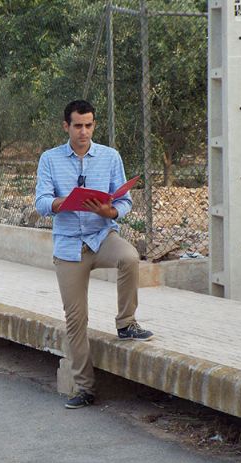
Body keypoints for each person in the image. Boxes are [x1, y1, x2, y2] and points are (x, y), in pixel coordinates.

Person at [35, 99, 153, 409]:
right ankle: (84, 388)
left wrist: (110, 210)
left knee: (129, 257)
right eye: (77, 126)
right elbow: (42, 202)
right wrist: (65, 202)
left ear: (94, 125)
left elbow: (124, 201)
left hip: (102, 235)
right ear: (66, 127)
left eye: (88, 125)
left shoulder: (110, 157)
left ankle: (126, 323)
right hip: (69, 246)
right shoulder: (49, 159)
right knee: (76, 320)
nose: (83, 131)